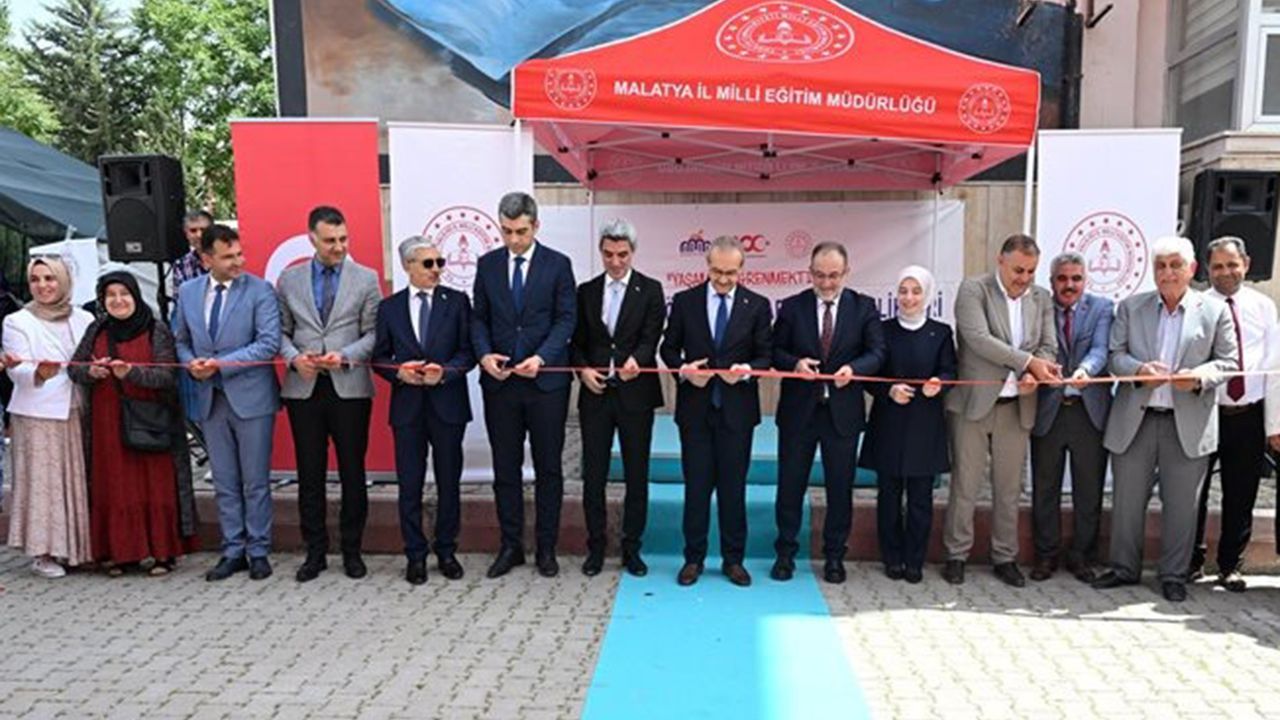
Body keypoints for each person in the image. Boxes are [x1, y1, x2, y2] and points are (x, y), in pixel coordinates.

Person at [1092, 236, 1237, 603]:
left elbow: (1229, 362)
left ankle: (1173, 575)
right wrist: (1139, 370)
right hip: (1136, 421)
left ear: (1192, 269)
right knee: (1127, 502)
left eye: (1176, 265)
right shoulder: (1131, 307)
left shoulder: (1214, 310)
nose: (1168, 272)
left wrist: (1199, 377)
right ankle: (1123, 568)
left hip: (1186, 423)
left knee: (1182, 506)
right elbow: (1115, 355)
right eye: (1161, 266)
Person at [944, 234, 1059, 587]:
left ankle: (1005, 557)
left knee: (1009, 489)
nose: (1024, 278)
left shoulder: (1041, 298)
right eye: (1018, 270)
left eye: (1031, 271)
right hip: (973, 405)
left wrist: (1035, 373)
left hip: (1017, 407)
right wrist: (1028, 363)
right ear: (1000, 261)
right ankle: (956, 555)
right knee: (965, 484)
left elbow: (1048, 346)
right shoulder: (973, 289)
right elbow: (979, 340)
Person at [472, 191, 577, 579]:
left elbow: (566, 319)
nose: (513, 239)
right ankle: (510, 546)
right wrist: (484, 355)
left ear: (536, 226)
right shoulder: (487, 265)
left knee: (549, 468)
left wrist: (543, 358)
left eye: (520, 231)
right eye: (506, 231)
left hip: (545, 384)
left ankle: (546, 548)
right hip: (501, 384)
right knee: (506, 468)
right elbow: (478, 317)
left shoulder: (558, 265)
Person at [68, 271, 199, 575]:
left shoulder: (155, 329)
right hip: (107, 424)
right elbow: (74, 369)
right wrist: (91, 372)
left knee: (155, 486)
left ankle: (162, 553)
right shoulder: (97, 329)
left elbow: (167, 375)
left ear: (136, 296)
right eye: (110, 295)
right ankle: (120, 554)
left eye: (124, 294)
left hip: (150, 421)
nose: (118, 301)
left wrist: (131, 373)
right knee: (116, 487)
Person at [659, 235, 772, 587]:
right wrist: (684, 370)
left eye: (730, 273)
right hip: (696, 411)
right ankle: (693, 559)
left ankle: (733, 560)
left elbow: (765, 355)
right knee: (696, 488)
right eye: (717, 271)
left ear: (742, 269)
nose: (723, 279)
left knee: (733, 490)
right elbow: (668, 349)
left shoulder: (757, 305)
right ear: (707, 266)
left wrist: (746, 371)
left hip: (737, 413)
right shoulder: (685, 301)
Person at [277, 206, 382, 583]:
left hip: (348, 387)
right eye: (330, 241)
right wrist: (294, 359)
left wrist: (347, 356)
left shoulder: (366, 278)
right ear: (312, 239)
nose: (339, 247)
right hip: (304, 389)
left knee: (353, 472)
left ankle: (352, 551)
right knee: (310, 474)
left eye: (343, 239)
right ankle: (315, 552)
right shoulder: (289, 280)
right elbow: (280, 332)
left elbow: (374, 333)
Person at [172, 224, 282, 582]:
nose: (238, 262)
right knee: (224, 480)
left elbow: (268, 343)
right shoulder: (188, 292)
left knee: (255, 481)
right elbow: (180, 339)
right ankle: (233, 550)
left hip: (251, 399)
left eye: (239, 254)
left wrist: (219, 364)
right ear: (206, 259)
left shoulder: (260, 290)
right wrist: (191, 362)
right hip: (210, 399)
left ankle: (259, 550)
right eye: (228, 257)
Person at [771, 241, 885, 584]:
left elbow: (877, 352)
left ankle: (835, 556)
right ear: (809, 273)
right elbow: (773, 351)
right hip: (799, 413)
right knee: (790, 486)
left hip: (842, 415)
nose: (826, 282)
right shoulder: (792, 307)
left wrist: (854, 368)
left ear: (846, 273)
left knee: (839, 488)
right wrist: (795, 364)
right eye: (819, 275)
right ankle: (785, 554)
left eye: (833, 275)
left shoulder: (863, 308)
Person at [372, 236, 475, 585]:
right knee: (410, 484)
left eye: (440, 262)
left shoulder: (457, 302)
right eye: (428, 263)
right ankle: (414, 555)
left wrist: (444, 373)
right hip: (408, 409)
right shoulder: (390, 308)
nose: (436, 270)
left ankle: (446, 551)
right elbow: (379, 357)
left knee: (449, 482)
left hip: (448, 406)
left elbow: (468, 352)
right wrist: (398, 373)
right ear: (408, 266)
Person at [572, 218, 665, 578]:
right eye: (609, 254)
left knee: (636, 474)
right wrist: (583, 370)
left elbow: (651, 337)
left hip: (635, 395)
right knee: (594, 475)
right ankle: (595, 547)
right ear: (601, 251)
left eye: (622, 254)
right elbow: (577, 342)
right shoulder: (586, 291)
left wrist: (637, 360)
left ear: (633, 252)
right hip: (595, 396)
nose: (615, 261)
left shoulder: (651, 290)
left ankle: (632, 548)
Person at [1188, 236, 1277, 591]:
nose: (1225, 272)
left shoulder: (1263, 306)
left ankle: (1230, 566)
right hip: (1206, 413)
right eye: (1218, 266)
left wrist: (1273, 425)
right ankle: (1191, 561)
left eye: (1232, 265)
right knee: (1194, 492)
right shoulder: (1198, 305)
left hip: (1249, 415)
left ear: (1246, 264)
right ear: (1206, 269)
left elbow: (1273, 368)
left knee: (1241, 493)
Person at [860, 266, 956, 584]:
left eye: (916, 291)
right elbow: (869, 375)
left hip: (925, 426)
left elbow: (950, 371)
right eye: (903, 291)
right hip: (889, 422)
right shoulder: (882, 330)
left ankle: (914, 560)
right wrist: (889, 390)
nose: (909, 298)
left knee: (920, 499)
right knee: (888, 496)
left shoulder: (941, 333)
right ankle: (892, 558)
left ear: (927, 295)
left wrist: (938, 384)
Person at [2, 256, 95, 577]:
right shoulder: (17, 321)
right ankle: (43, 552)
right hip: (37, 413)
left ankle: (76, 549)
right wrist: (38, 373)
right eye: (36, 279)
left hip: (77, 409)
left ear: (64, 280)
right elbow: (17, 369)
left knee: (75, 480)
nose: (43, 286)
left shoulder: (84, 318)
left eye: (50, 278)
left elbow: (90, 359)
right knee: (44, 484)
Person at [1028, 252, 1113, 583]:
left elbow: (1101, 349)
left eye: (1076, 278)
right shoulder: (1040, 306)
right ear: (1052, 282)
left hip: (1087, 412)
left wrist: (1085, 371)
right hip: (1048, 410)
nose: (1069, 285)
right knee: (1044, 488)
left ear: (1085, 280)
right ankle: (1046, 555)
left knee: (1088, 489)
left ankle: (1082, 556)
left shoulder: (1102, 308)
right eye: (1062, 279)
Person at [171, 210, 213, 297]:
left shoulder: (227, 258)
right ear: (186, 234)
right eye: (193, 231)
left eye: (203, 230)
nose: (199, 235)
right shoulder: (181, 265)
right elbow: (180, 299)